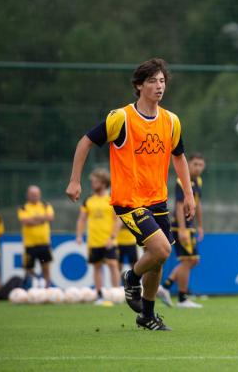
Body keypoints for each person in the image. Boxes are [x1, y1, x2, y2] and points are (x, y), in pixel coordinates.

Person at [65, 58, 195, 331]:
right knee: (161, 249)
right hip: (129, 200)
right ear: (139, 86)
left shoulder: (171, 121)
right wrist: (75, 181)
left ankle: (147, 316)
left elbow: (180, 158)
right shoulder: (121, 118)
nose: (159, 86)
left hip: (157, 199)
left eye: (162, 81)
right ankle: (130, 277)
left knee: (158, 260)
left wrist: (189, 195)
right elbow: (85, 141)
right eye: (152, 81)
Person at [158, 152, 206, 308]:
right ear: (188, 165)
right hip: (180, 226)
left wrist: (200, 225)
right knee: (188, 260)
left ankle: (165, 287)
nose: (198, 168)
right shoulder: (181, 181)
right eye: (195, 164)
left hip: (190, 226)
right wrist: (183, 230)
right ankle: (182, 298)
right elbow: (179, 206)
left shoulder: (198, 181)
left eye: (200, 165)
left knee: (193, 260)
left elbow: (197, 204)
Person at [76, 168, 121, 304]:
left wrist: (112, 237)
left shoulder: (112, 199)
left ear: (103, 183)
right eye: (92, 181)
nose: (92, 184)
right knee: (96, 266)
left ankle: (116, 293)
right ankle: (99, 294)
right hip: (94, 241)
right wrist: (79, 235)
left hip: (109, 240)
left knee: (113, 265)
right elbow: (82, 219)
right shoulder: (88, 200)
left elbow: (118, 220)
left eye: (95, 181)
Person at [18, 185, 54, 288]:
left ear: (40, 195)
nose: (34, 196)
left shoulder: (45, 205)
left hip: (44, 243)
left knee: (46, 267)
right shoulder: (23, 208)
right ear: (28, 195)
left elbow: (50, 217)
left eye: (36, 194)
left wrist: (34, 219)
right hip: (30, 245)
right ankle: (32, 286)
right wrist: (42, 219)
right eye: (32, 194)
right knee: (29, 268)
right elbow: (25, 221)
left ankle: (47, 288)